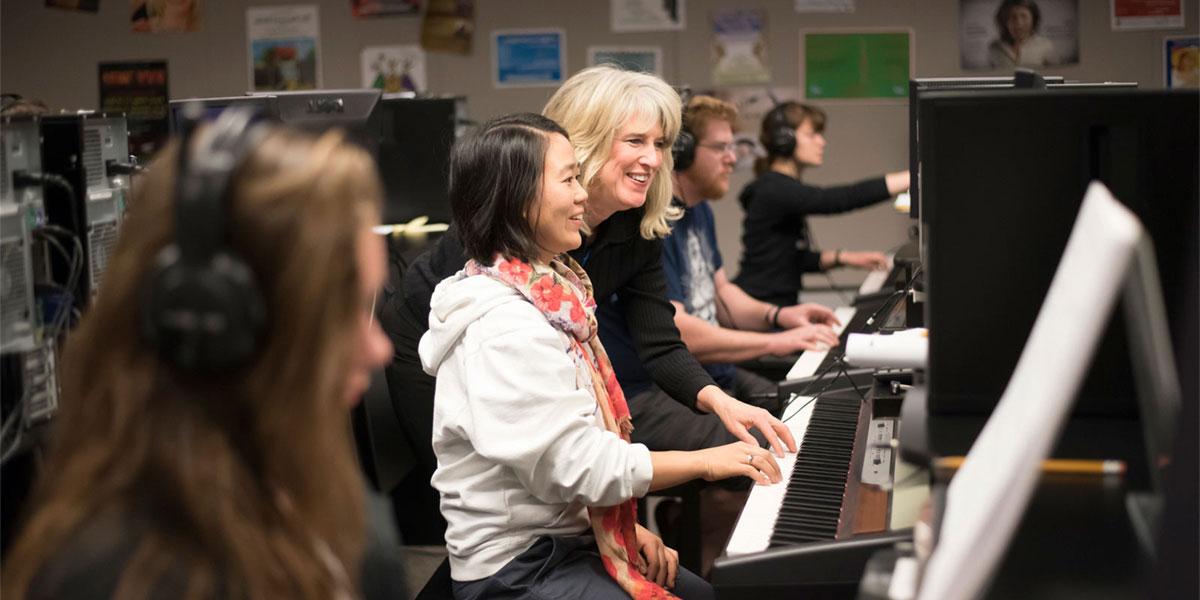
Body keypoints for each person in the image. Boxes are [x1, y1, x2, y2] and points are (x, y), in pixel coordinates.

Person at [382, 65, 797, 544]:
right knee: (476, 503)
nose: (654, 159)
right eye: (636, 141)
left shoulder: (633, 224)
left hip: (519, 365)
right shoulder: (521, 220)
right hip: (430, 345)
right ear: (590, 138)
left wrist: (720, 402)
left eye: (661, 144)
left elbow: (659, 344)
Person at [1, 111, 397, 599]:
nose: (380, 348)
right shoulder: (112, 578)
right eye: (342, 314)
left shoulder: (349, 524)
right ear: (215, 319)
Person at [735, 101, 910, 308]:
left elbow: (792, 259)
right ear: (785, 141)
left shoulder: (778, 188)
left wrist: (847, 258)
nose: (822, 142)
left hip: (774, 304)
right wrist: (910, 178)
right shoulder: (774, 189)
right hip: (759, 307)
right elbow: (837, 199)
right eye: (812, 134)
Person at [987, 0, 1056, 69]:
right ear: (1004, 20)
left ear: (1033, 19)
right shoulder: (994, 47)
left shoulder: (1045, 45)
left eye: (1024, 16)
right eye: (1013, 17)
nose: (1019, 23)